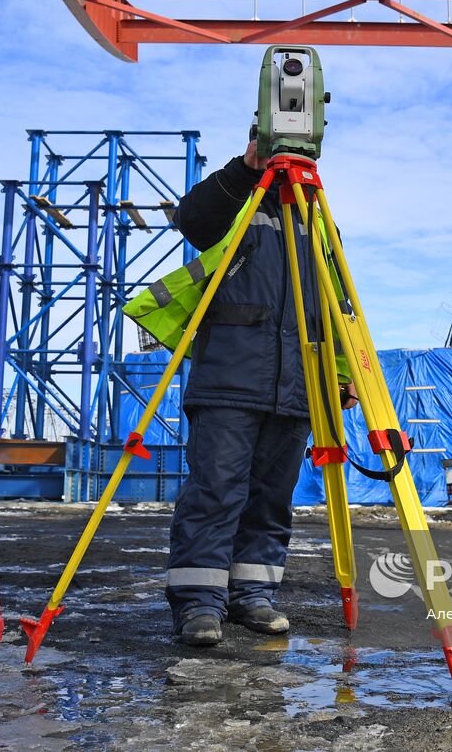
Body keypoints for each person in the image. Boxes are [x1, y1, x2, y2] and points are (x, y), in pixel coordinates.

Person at [162, 138, 356, 647]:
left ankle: (254, 593)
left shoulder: (317, 219)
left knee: (272, 499)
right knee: (215, 492)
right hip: (230, 380)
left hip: (296, 387)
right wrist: (245, 168)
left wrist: (339, 371)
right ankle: (199, 603)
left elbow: (333, 301)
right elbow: (194, 220)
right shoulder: (242, 202)